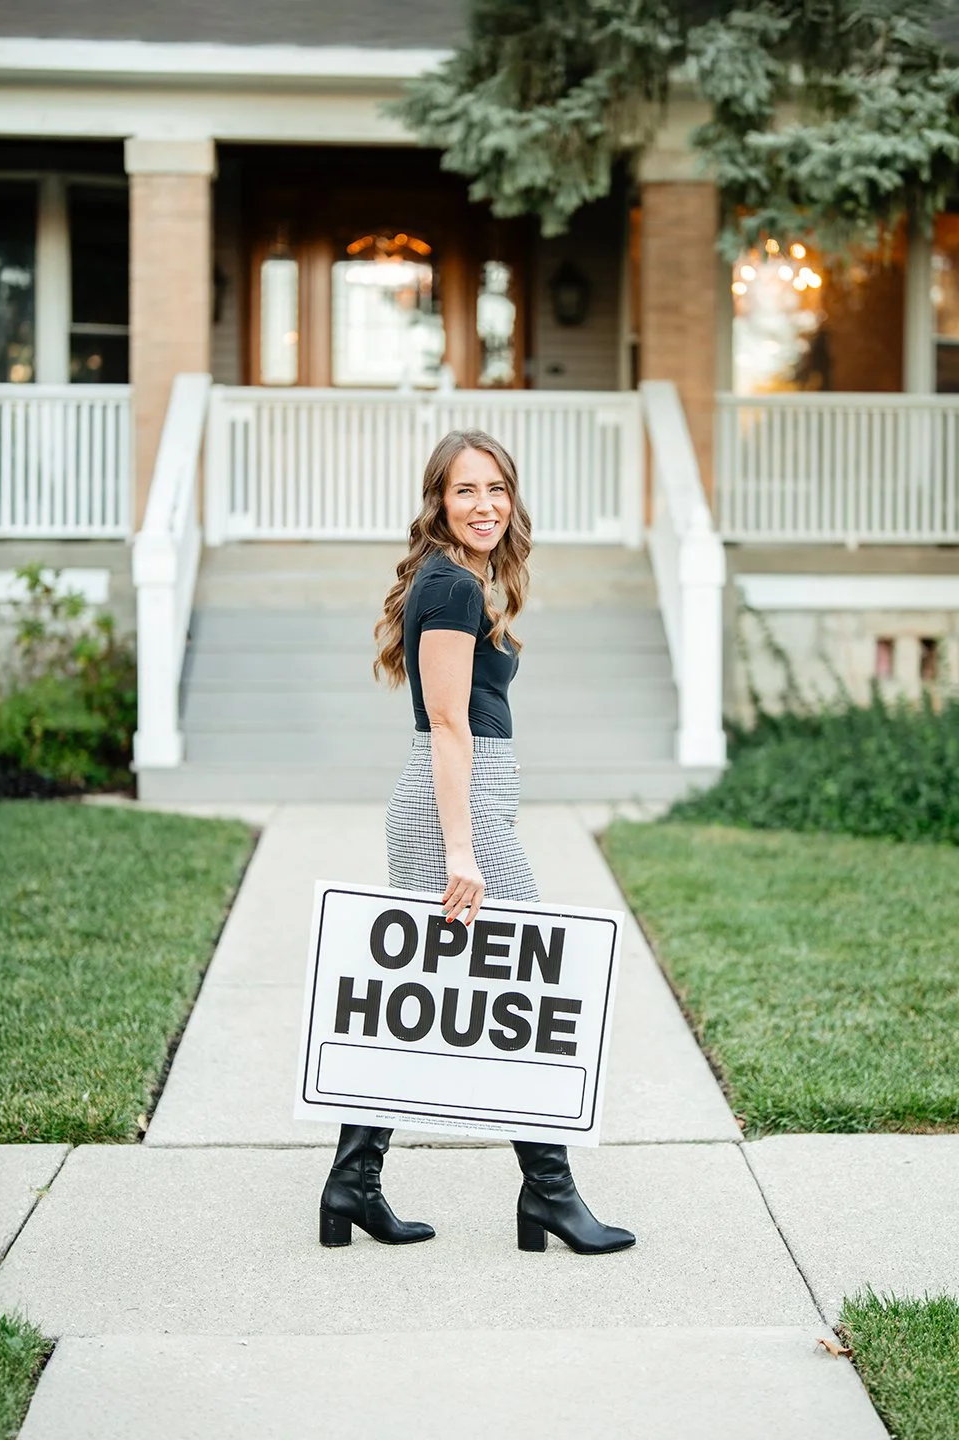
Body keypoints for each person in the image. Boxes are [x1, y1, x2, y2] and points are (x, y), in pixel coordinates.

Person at [317, 429, 635, 1256]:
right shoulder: (453, 587)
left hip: (458, 801)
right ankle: (551, 1197)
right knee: (525, 993)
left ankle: (354, 1184)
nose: (485, 505)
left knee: (422, 993)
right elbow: (449, 725)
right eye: (466, 491)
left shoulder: (461, 581)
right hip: (450, 809)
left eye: (497, 489)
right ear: (439, 503)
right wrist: (464, 852)